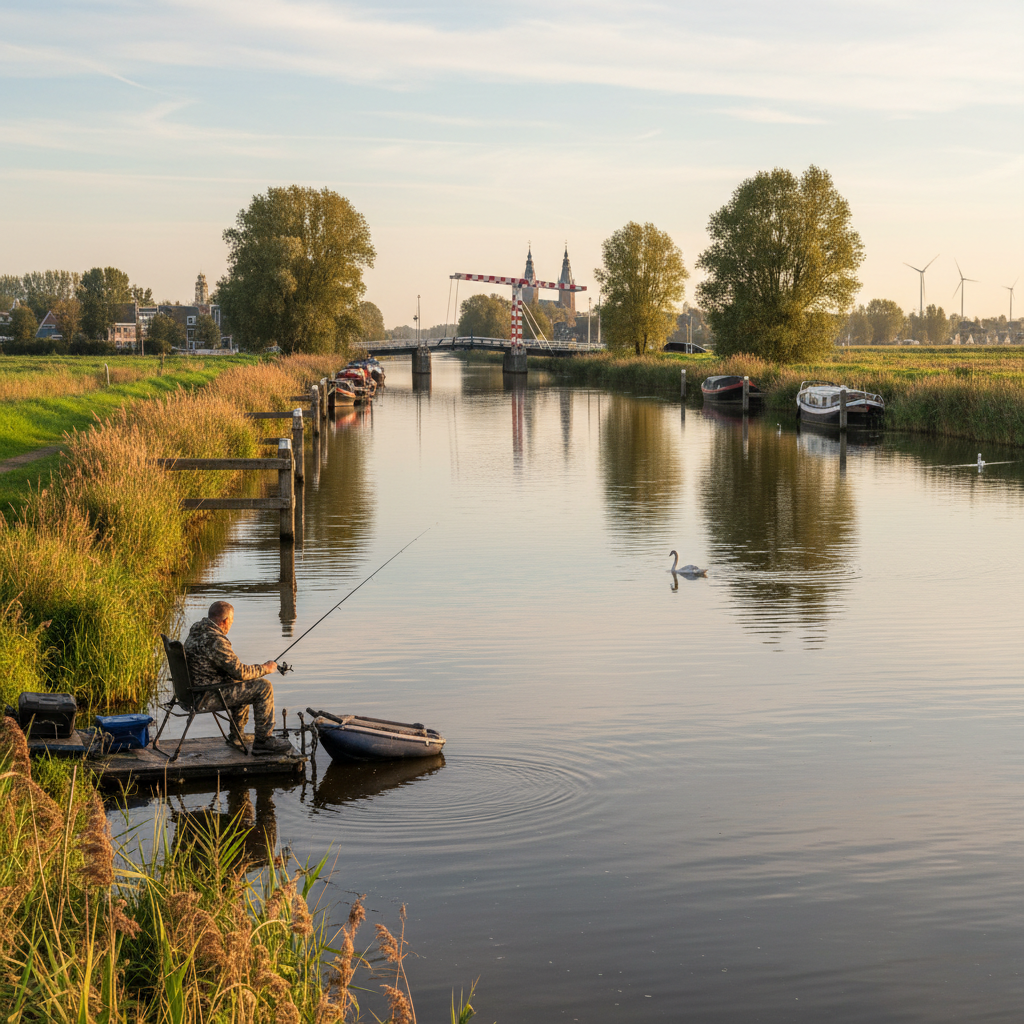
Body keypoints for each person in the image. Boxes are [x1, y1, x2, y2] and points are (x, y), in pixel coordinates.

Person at [183, 600, 291, 754]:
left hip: (193, 692)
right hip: (206, 696)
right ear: (225, 621)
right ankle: (263, 742)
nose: (230, 626)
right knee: (263, 687)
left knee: (242, 683)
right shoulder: (215, 640)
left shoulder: (197, 632)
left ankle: (236, 736)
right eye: (231, 622)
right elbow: (240, 672)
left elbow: (234, 672)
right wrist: (266, 668)